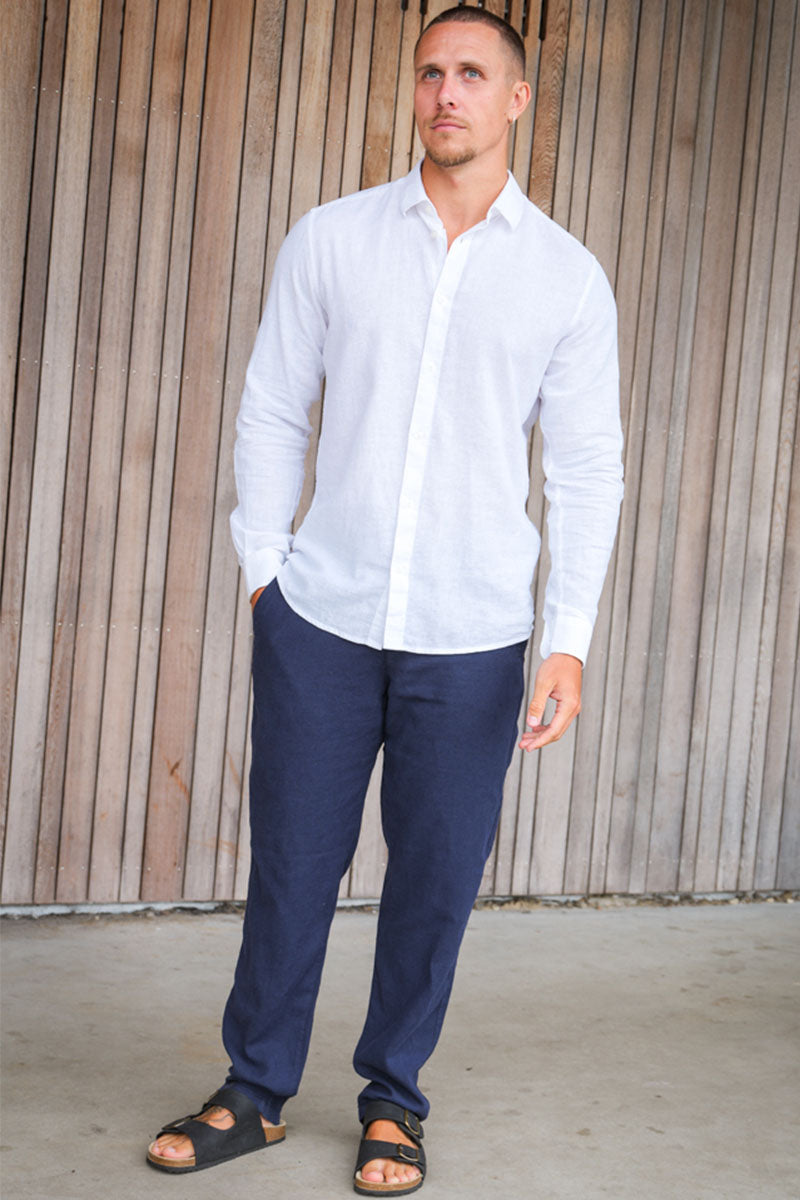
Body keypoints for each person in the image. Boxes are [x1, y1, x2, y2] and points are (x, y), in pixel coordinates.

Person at [146, 7, 623, 1195]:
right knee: (290, 866)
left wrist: (566, 640)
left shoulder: (564, 278)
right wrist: (265, 571)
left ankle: (393, 1101)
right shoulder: (332, 239)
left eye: (471, 74)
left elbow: (585, 470)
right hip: (320, 618)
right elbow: (271, 406)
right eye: (429, 73)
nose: (445, 92)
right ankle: (253, 1091)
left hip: (472, 635)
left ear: (515, 98)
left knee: (434, 881)